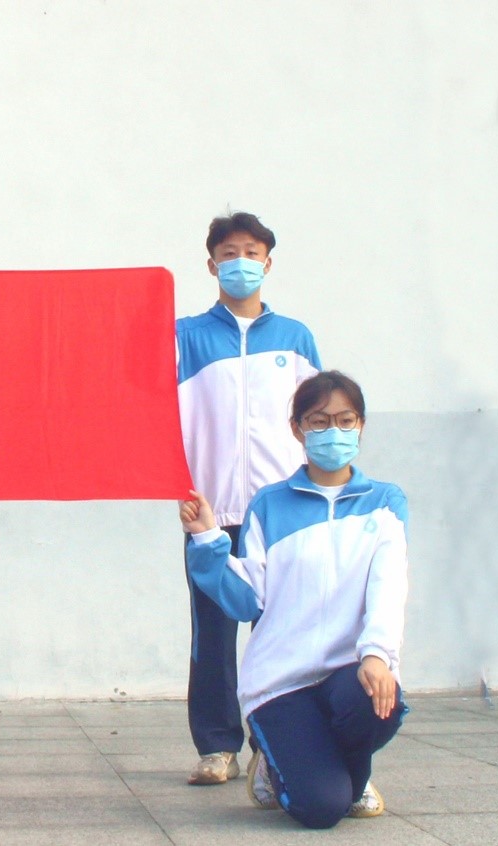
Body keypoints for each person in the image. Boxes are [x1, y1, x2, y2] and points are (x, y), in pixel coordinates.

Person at [180, 370, 408, 829]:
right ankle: (276, 764)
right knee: (321, 809)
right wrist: (207, 538)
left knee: (376, 701)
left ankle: (345, 772)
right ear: (297, 429)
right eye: (319, 421)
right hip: (282, 683)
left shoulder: (385, 502)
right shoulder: (270, 504)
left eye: (345, 420)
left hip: (347, 673)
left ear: (361, 425)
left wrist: (377, 654)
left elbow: (389, 586)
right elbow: (246, 600)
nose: (333, 432)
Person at [175, 211, 321, 785]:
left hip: (279, 515)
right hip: (208, 512)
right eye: (229, 253)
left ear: (268, 263)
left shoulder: (295, 339)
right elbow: (150, 409)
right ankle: (217, 746)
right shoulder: (184, 337)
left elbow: (316, 419)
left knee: (278, 632)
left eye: (252, 252)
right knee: (212, 633)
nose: (241, 262)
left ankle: (273, 741)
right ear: (212, 265)